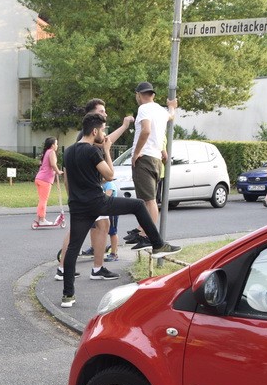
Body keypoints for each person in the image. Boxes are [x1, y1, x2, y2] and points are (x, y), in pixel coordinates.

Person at [59, 112, 179, 308]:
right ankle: (157, 244)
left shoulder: (69, 151)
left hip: (78, 206)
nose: (104, 134)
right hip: (97, 202)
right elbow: (110, 174)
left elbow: (69, 180)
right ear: (94, 131)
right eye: (103, 130)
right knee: (139, 205)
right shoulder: (92, 151)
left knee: (73, 248)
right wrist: (106, 150)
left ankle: (68, 296)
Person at [54, 98, 135, 281]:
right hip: (89, 195)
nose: (105, 114)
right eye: (101, 111)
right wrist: (124, 126)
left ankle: (89, 268)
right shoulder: (88, 137)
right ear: (92, 117)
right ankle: (83, 269)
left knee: (99, 226)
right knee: (81, 231)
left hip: (86, 194)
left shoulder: (88, 135)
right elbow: (108, 145)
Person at [128, 82, 175, 250]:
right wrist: (172, 106)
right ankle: (142, 230)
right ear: (153, 95)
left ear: (138, 95)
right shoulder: (161, 110)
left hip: (145, 157)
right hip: (155, 158)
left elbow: (146, 130)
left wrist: (136, 153)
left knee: (149, 201)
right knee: (148, 199)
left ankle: (148, 235)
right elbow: (171, 116)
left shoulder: (144, 109)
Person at [34, 137, 61, 225]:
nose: (57, 145)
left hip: (39, 178)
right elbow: (53, 164)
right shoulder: (52, 152)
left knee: (41, 199)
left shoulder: (46, 152)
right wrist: (58, 171)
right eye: (56, 144)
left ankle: (38, 218)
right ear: (52, 145)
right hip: (45, 180)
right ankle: (42, 219)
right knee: (44, 200)